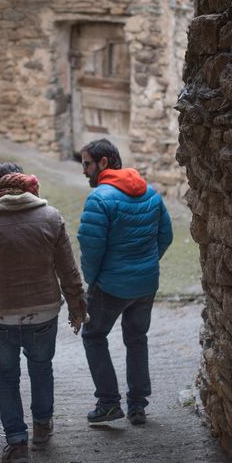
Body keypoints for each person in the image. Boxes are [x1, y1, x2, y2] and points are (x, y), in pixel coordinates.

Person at [0, 162, 86, 463]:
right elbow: (67, 269)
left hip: (2, 315)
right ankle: (41, 427)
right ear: (28, 185)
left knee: (6, 377)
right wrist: (78, 308)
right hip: (44, 312)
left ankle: (17, 444)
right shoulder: (51, 217)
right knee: (41, 368)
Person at [77, 139, 172, 426]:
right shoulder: (151, 193)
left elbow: (91, 249)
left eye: (86, 164)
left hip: (111, 286)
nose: (84, 172)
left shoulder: (99, 199)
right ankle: (137, 406)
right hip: (146, 284)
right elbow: (165, 236)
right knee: (136, 338)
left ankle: (108, 403)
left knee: (93, 335)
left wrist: (91, 283)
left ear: (103, 163)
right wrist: (146, 264)